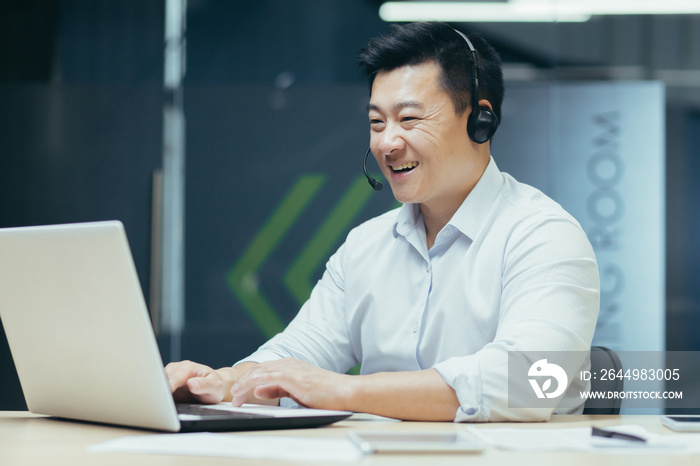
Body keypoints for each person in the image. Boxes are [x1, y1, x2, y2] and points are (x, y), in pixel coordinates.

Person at [166, 21, 599, 422]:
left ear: (480, 120)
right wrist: (221, 383)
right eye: (377, 122)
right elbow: (300, 351)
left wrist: (341, 391)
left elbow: (527, 380)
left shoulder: (543, 236)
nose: (387, 143)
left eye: (409, 119)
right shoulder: (365, 246)